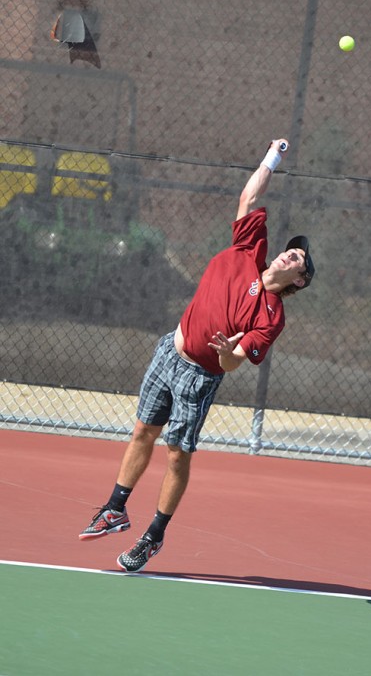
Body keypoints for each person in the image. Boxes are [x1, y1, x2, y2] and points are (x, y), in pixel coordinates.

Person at [79, 138, 315, 572]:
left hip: (200, 377)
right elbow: (249, 195)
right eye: (292, 248)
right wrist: (272, 156)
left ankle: (154, 536)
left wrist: (228, 351)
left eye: (298, 258)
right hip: (170, 350)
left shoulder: (271, 316)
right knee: (141, 433)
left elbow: (232, 363)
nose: (291, 252)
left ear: (298, 280)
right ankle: (116, 508)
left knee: (176, 454)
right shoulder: (249, 248)